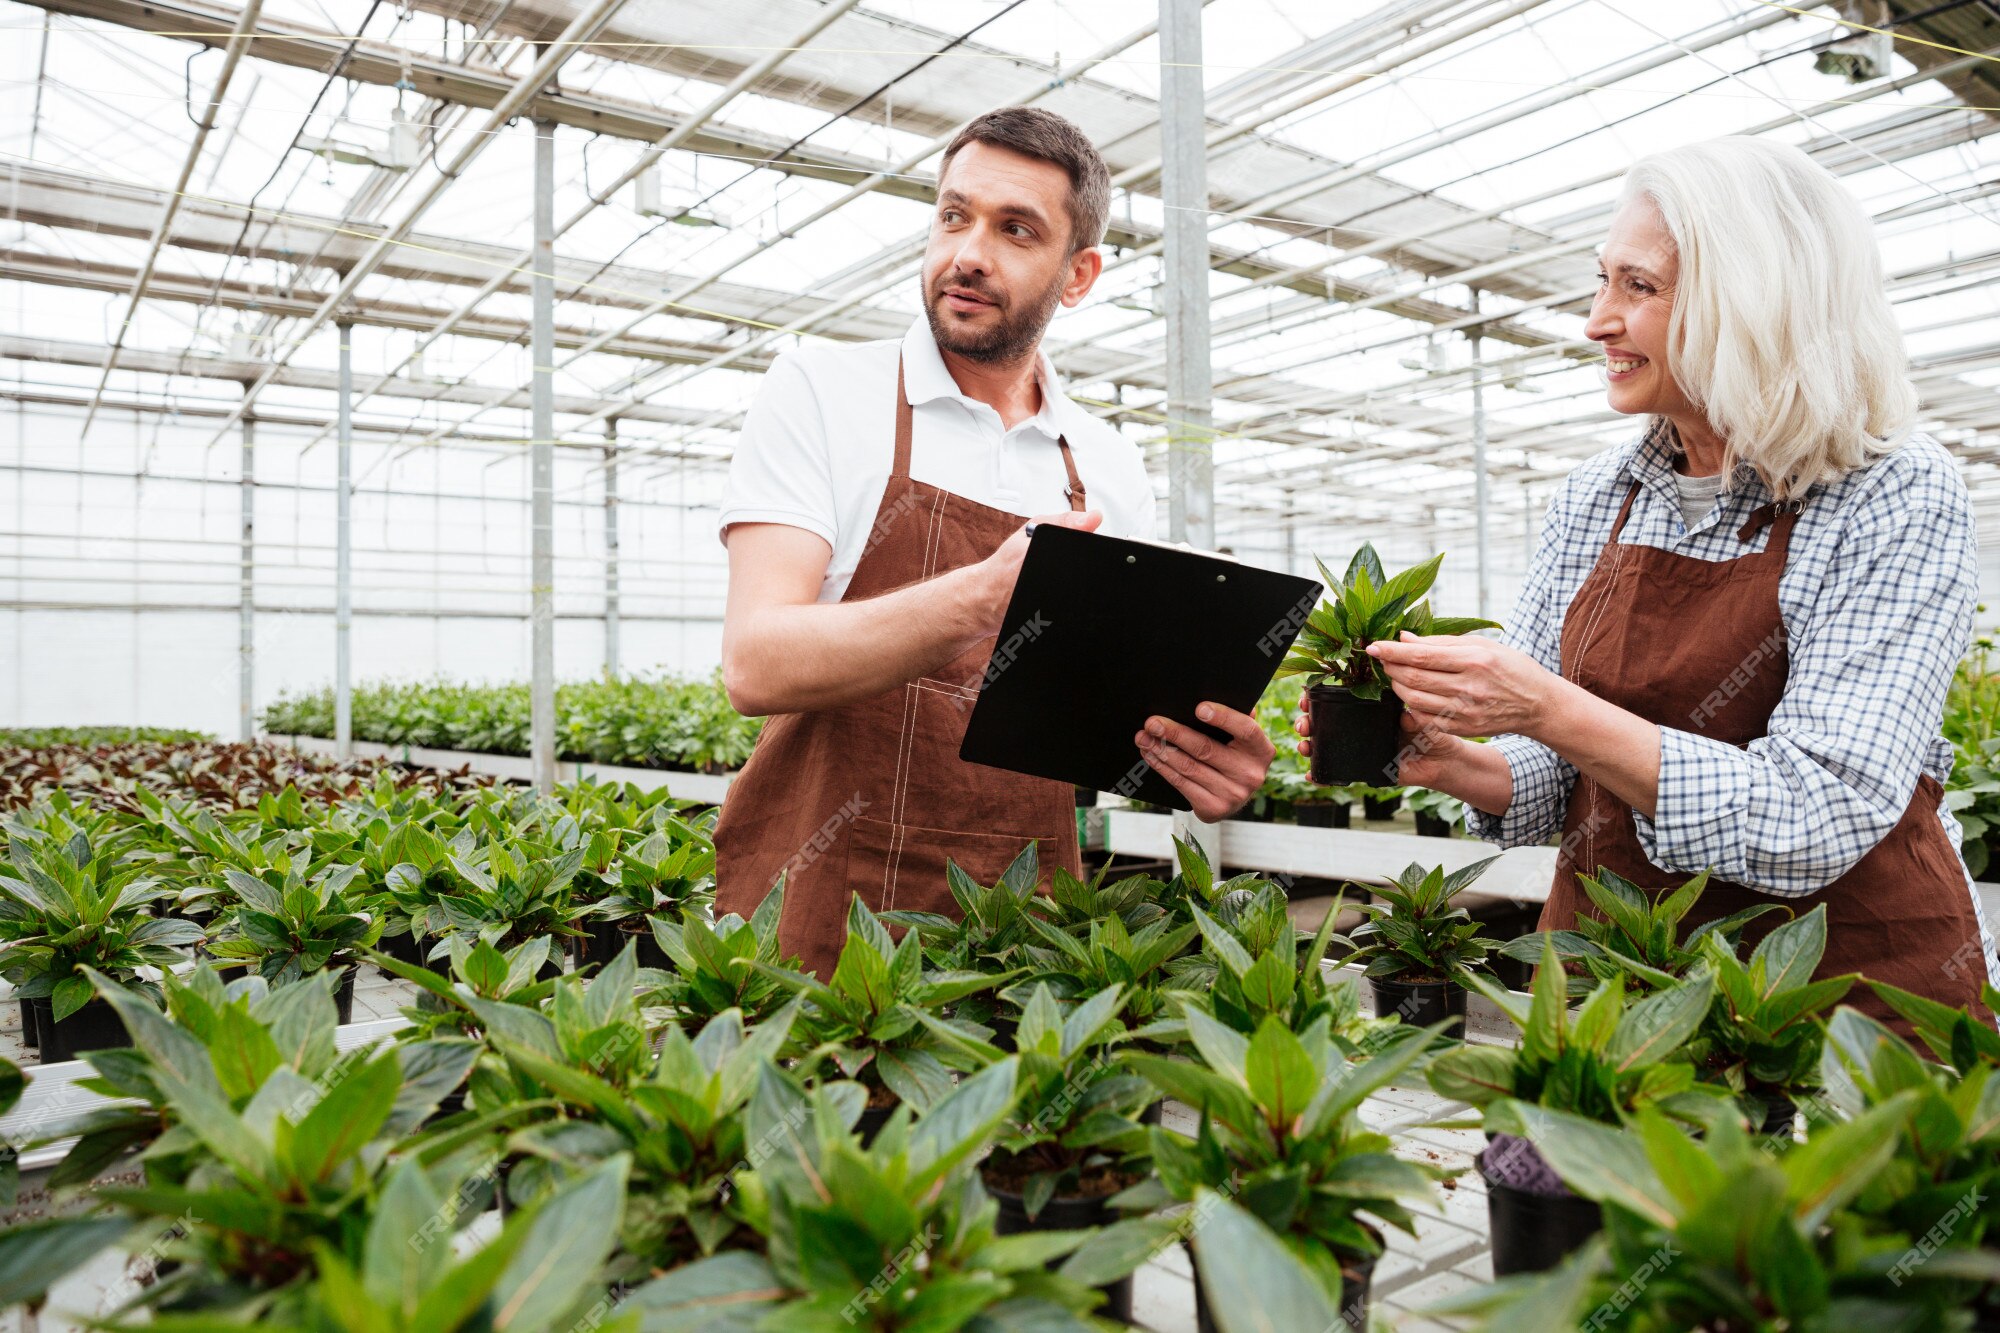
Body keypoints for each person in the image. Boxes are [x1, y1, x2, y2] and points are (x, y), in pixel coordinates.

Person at [1300, 137, 1999, 1021]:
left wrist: (1548, 705)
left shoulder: (1889, 489)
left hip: (1827, 994)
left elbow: (1816, 812)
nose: (1596, 319)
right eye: (1603, 281)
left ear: (1751, 301)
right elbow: (1557, 775)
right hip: (1617, 977)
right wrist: (1452, 759)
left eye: (1638, 287)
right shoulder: (1603, 493)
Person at [713, 106, 1274, 977]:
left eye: (1016, 230)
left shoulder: (1106, 464)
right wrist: (980, 597)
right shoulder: (823, 389)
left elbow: (1111, 725)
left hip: (1023, 932)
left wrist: (1202, 763)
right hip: (823, 914)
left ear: (1077, 274)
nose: (969, 252)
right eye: (952, 215)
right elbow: (756, 663)